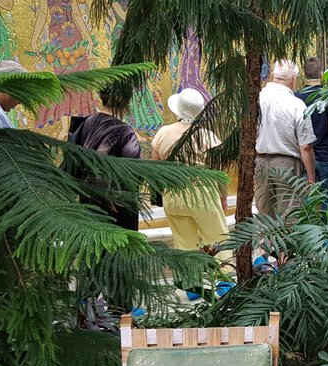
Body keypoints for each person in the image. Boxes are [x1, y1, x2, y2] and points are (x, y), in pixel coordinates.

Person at [151, 88, 229, 254]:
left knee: (185, 249)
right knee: (219, 244)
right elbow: (220, 173)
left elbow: (155, 169)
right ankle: (225, 271)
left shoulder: (163, 133)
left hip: (173, 196)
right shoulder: (208, 136)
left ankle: (188, 272)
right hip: (204, 196)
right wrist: (223, 198)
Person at [68, 86, 142, 231]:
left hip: (89, 196)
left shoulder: (88, 121)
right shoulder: (125, 131)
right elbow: (134, 171)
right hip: (117, 202)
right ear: (124, 101)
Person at [254, 60, 316, 217]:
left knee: (265, 216)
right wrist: (311, 178)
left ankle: (265, 235)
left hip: (260, 162)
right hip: (287, 164)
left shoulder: (257, 98)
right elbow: (306, 146)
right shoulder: (297, 105)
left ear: (272, 76)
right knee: (289, 215)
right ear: (294, 80)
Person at [295, 57, 328, 199]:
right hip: (325, 155)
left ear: (304, 74)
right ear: (322, 73)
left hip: (303, 156)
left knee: (307, 199)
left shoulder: (296, 97)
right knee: (327, 198)